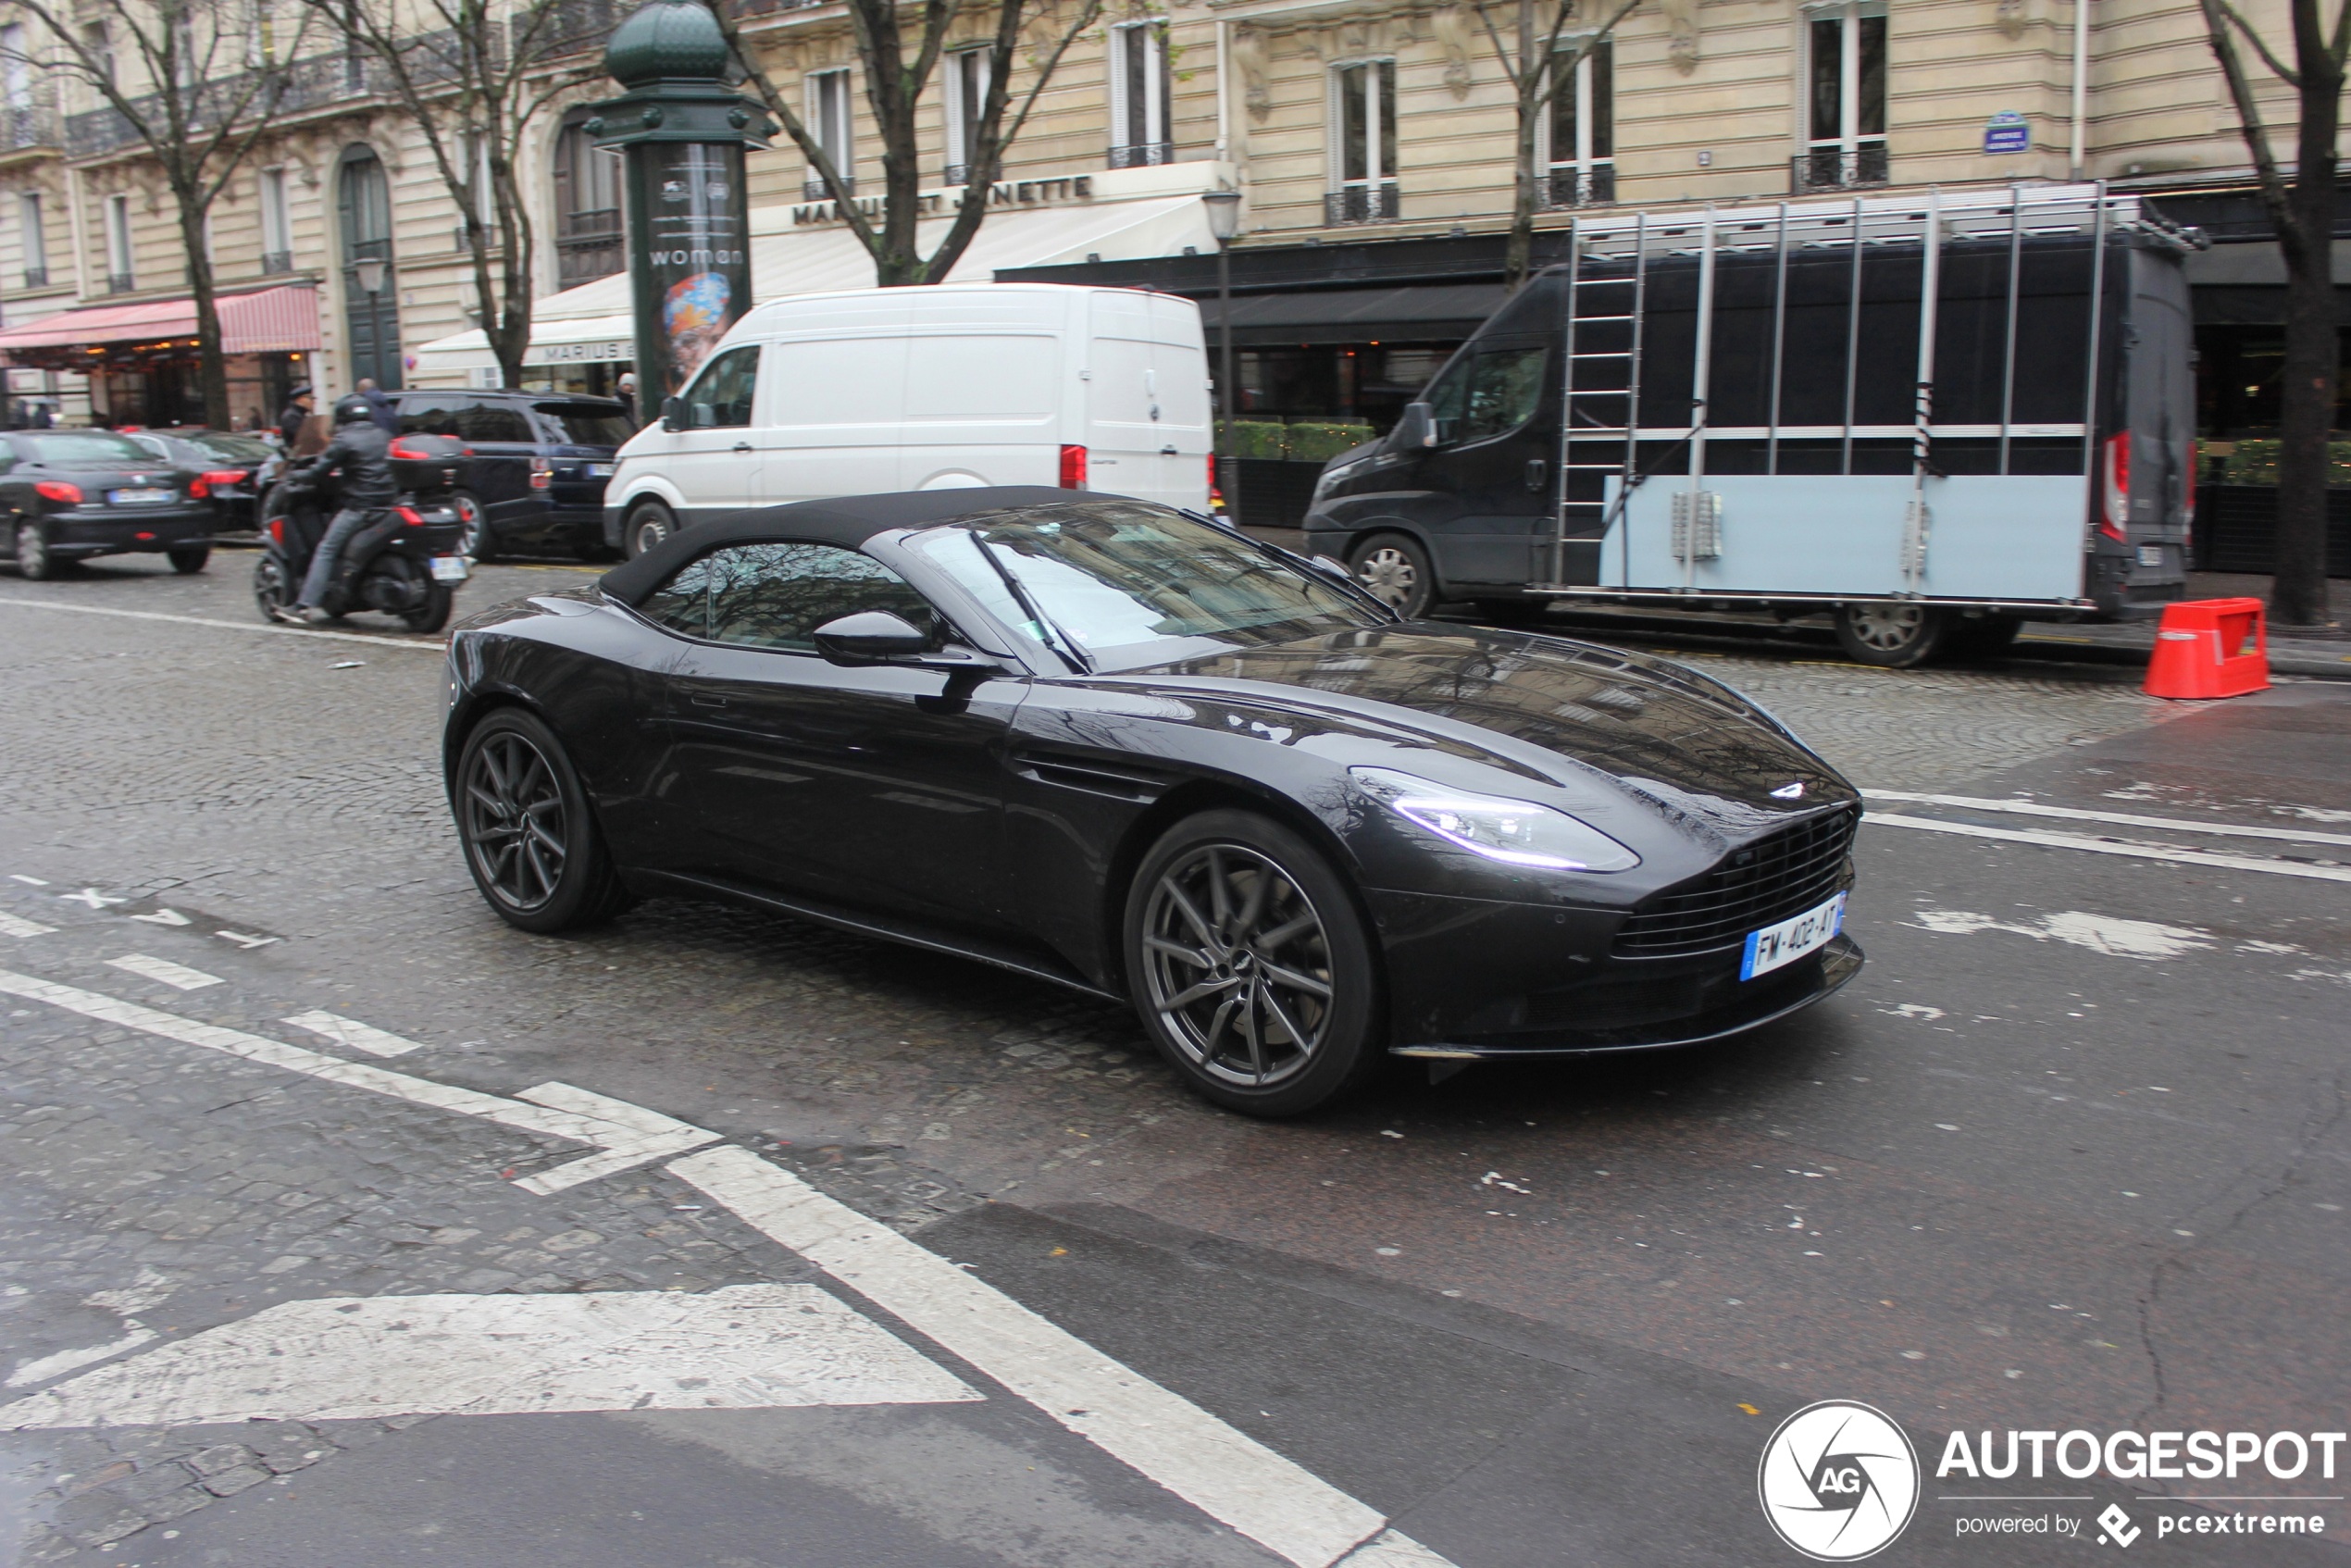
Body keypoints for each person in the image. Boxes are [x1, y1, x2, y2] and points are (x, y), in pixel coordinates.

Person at [281, 393, 397, 625]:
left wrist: (296, 475)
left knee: (326, 548)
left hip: (361, 507)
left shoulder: (344, 439)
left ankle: (304, 605)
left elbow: (319, 471)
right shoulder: (383, 435)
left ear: (342, 415)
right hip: (390, 503)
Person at [277, 383, 315, 449]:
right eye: (310, 398)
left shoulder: (302, 415)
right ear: (300, 399)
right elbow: (304, 436)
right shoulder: (291, 416)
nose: (313, 401)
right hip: (298, 456)